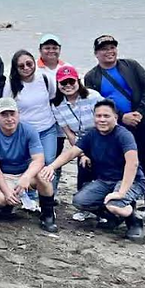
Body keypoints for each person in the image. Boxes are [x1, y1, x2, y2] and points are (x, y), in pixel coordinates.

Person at [84, 34, 145, 228]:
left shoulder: (131, 66)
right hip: (116, 129)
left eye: (112, 47)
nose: (109, 51)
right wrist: (121, 117)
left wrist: (139, 113)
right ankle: (127, 208)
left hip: (142, 124)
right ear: (96, 53)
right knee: (123, 168)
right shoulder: (92, 77)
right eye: (104, 49)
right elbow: (96, 104)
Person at [40, 100, 145, 240]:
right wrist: (51, 167)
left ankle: (134, 220)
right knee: (79, 201)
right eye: (98, 116)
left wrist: (121, 192)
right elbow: (71, 153)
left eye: (106, 116)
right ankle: (113, 217)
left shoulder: (124, 135)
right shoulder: (92, 134)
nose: (102, 119)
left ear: (116, 117)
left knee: (114, 205)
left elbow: (132, 163)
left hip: (131, 181)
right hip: (105, 181)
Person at [0, 97, 57, 232]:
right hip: (5, 174)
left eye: (12, 114)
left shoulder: (29, 130)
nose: (9, 118)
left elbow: (39, 160)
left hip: (25, 171)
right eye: (4, 114)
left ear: (18, 114)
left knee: (44, 175)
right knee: (0, 199)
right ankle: (8, 206)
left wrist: (27, 176)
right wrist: (6, 190)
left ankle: (47, 215)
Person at [3, 49, 59, 194]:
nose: (26, 68)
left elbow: (53, 97)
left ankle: (49, 195)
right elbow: (6, 106)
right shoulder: (11, 85)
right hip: (25, 132)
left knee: (48, 163)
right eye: (21, 66)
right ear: (15, 68)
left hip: (47, 128)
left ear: (34, 63)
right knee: (30, 165)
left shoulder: (45, 78)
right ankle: (31, 196)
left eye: (29, 64)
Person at [51, 65, 101, 217]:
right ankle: (86, 209)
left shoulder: (93, 97)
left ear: (78, 81)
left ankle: (105, 209)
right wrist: (82, 154)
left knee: (102, 172)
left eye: (71, 81)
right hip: (81, 140)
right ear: (58, 85)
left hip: (100, 136)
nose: (68, 85)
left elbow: (105, 119)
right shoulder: (57, 104)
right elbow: (69, 134)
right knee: (84, 170)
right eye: (63, 83)